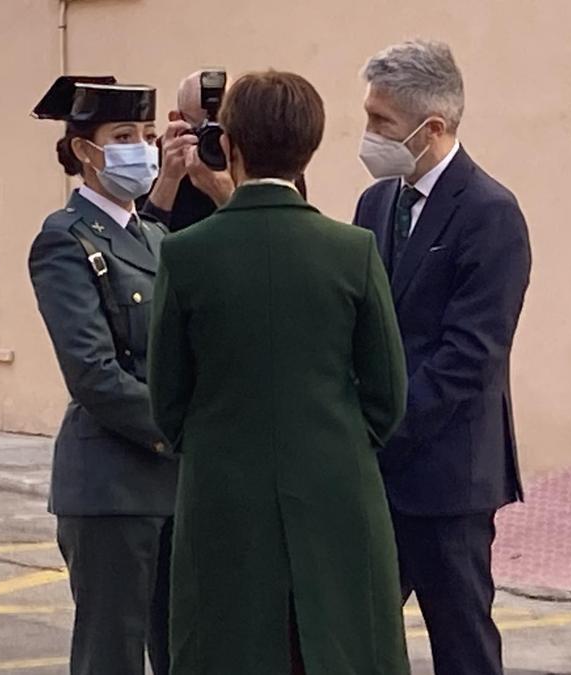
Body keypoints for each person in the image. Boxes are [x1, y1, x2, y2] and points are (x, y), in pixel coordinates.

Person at [148, 70, 411, 675]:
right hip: (337, 497)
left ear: (229, 146)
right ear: (310, 149)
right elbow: (387, 395)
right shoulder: (352, 250)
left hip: (222, 501)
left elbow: (167, 399)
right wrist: (332, 444)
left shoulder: (186, 254)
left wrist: (220, 446)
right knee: (337, 651)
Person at [353, 40, 532, 675]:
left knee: (462, 641)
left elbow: (470, 356)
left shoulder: (490, 213)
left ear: (432, 128)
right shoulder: (377, 203)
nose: (369, 135)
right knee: (355, 636)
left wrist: (382, 430)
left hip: (448, 477)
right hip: (375, 474)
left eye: (382, 123)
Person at [28, 76, 177, 675]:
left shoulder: (159, 237)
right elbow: (92, 373)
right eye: (121, 136)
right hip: (112, 486)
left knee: (186, 650)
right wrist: (179, 427)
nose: (139, 149)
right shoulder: (63, 240)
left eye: (145, 136)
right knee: (110, 656)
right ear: (85, 151)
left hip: (176, 485)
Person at [140, 70, 306, 231]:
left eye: (223, 127)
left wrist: (227, 196)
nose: (217, 139)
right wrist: (168, 179)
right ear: (177, 119)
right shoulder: (160, 157)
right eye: (203, 127)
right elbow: (140, 246)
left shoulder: (261, 157)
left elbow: (279, 238)